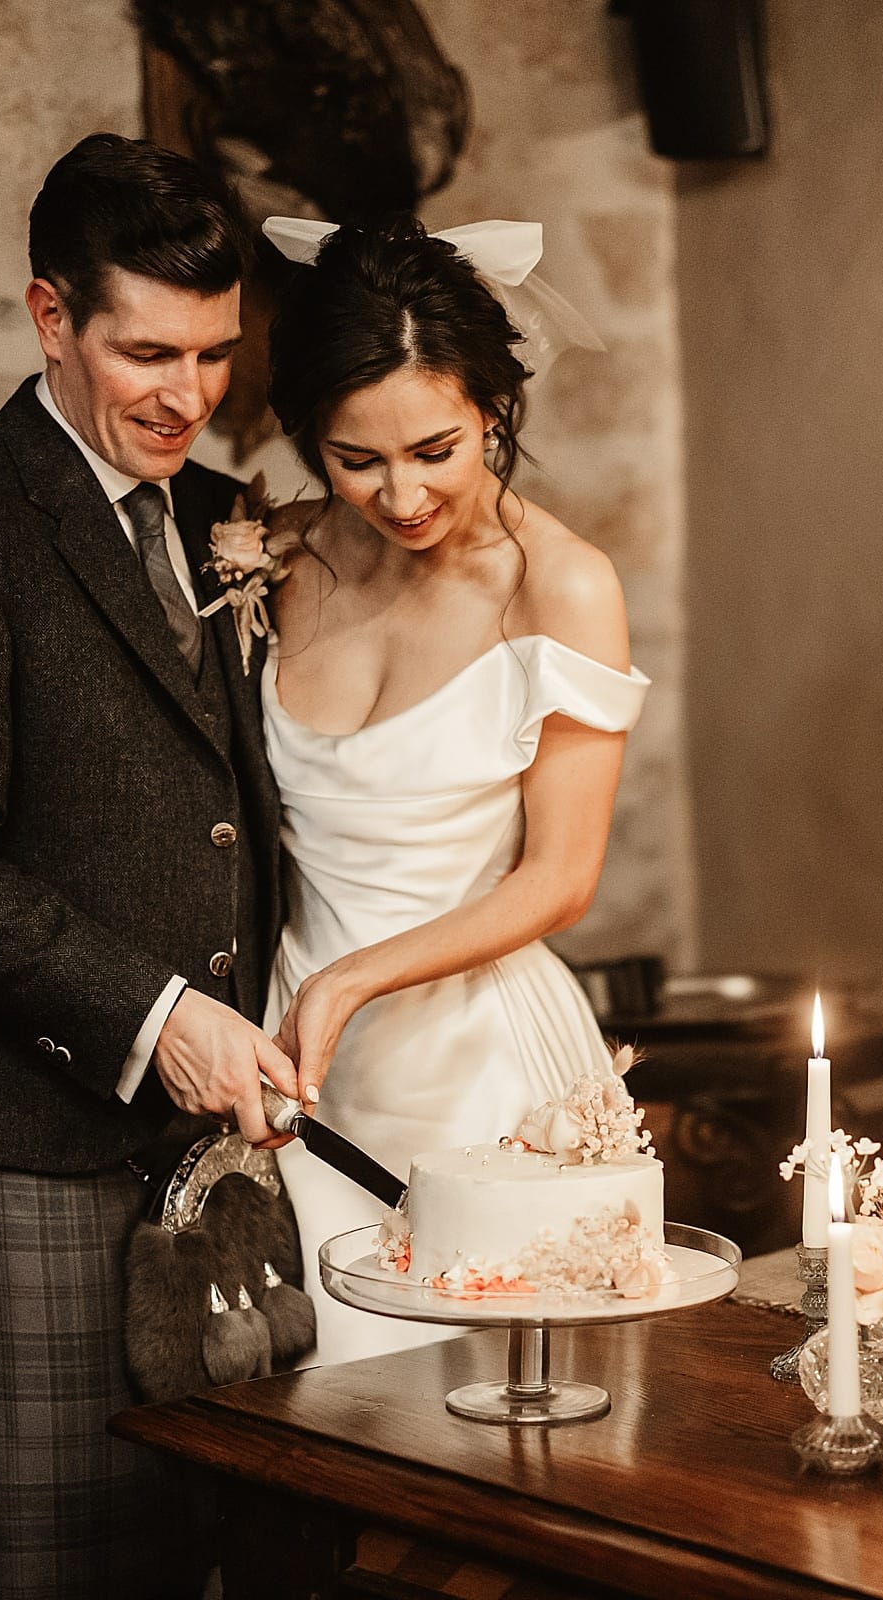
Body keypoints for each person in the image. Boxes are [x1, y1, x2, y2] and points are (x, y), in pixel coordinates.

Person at [0, 134, 293, 1598]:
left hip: (227, 1163)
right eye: (146, 351)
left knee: (220, 1554)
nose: (187, 395)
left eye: (213, 355)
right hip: (21, 1143)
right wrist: (152, 1013)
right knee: (38, 1569)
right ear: (49, 319)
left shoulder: (230, 521)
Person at [257, 217, 646, 1362]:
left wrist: (351, 980)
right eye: (355, 458)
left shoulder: (560, 584)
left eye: (436, 448)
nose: (402, 494)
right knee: (327, 1410)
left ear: (492, 408)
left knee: (499, 1422)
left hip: (479, 1075)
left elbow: (561, 879)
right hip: (302, 1080)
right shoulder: (277, 554)